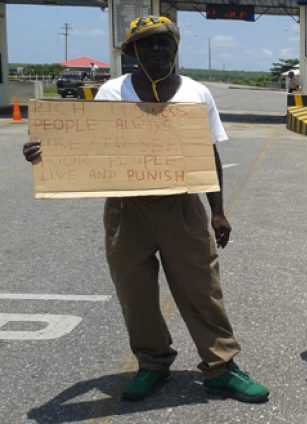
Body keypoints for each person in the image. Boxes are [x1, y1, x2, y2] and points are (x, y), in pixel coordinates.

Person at [22, 16, 268, 403]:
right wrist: (45, 155)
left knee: (201, 289)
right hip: (127, 208)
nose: (157, 50)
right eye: (147, 44)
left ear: (175, 48)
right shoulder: (112, 92)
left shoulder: (196, 93)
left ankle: (221, 367)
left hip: (182, 207)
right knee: (135, 293)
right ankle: (153, 363)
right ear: (132, 51)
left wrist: (217, 211)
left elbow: (209, 154)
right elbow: (90, 145)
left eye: (164, 43)